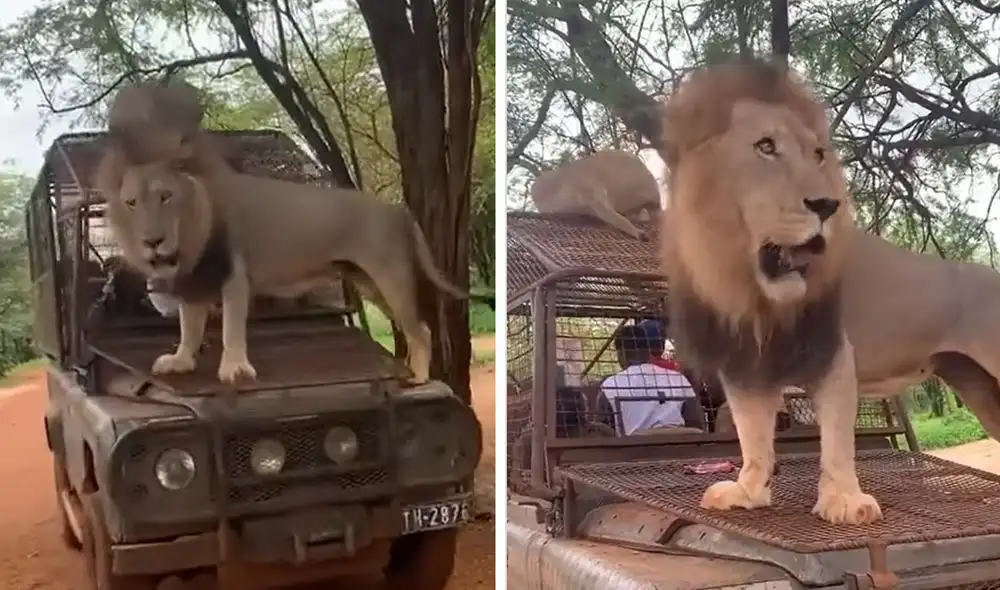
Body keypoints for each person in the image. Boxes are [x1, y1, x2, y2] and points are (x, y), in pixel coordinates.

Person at [596, 323, 705, 435]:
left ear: (621, 353)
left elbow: (603, 432)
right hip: (681, 448)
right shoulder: (677, 379)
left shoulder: (610, 386)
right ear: (648, 350)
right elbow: (696, 423)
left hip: (633, 450)